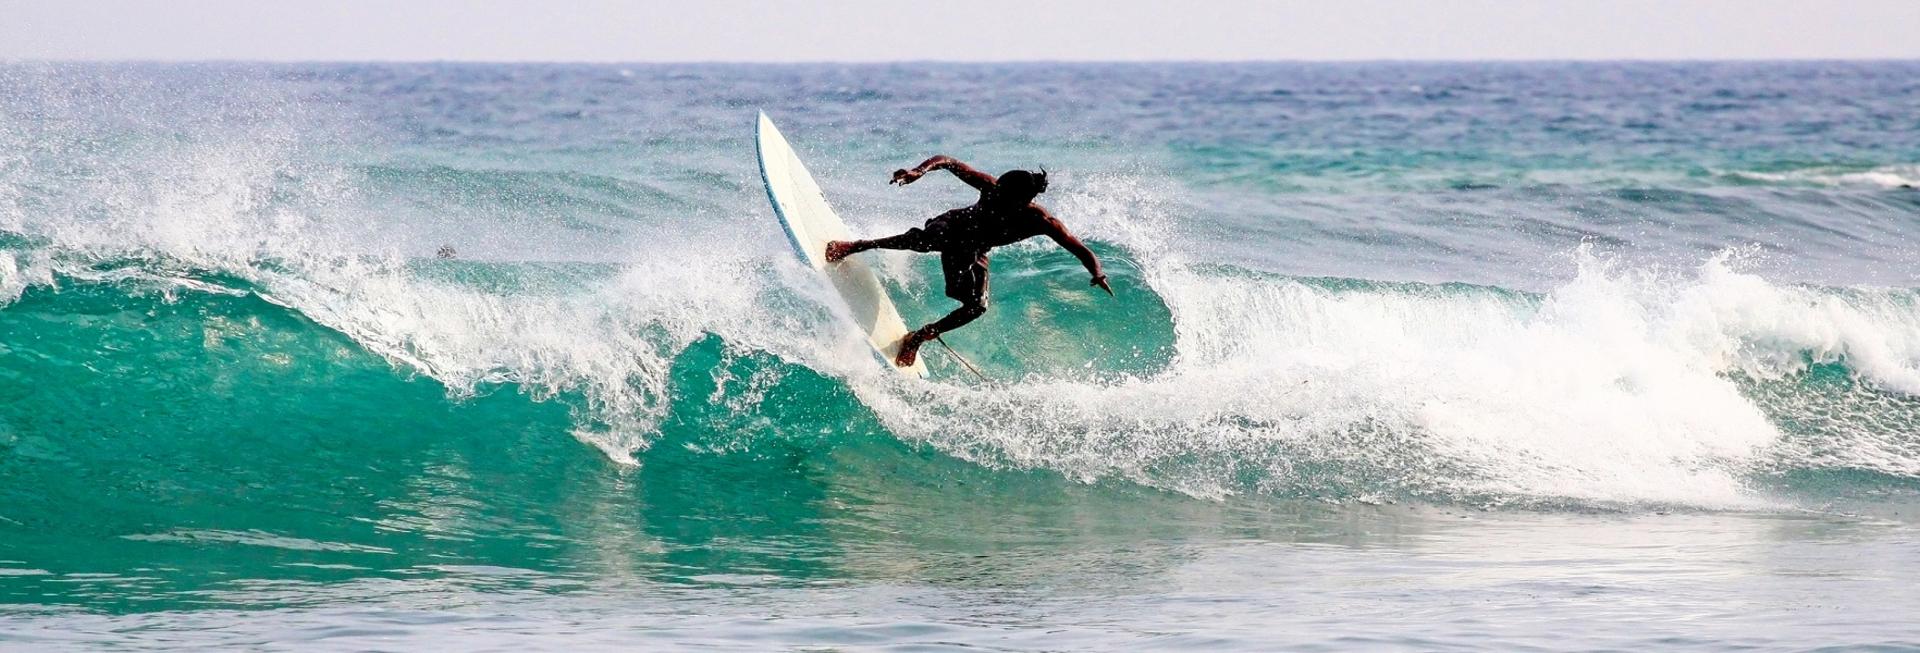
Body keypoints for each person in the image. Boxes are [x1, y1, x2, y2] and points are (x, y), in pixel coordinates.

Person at [826, 155, 1112, 367]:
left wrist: (1097, 272)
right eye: (997, 187)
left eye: (1002, 192)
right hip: (952, 225)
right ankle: (855, 246)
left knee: (976, 306)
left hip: (974, 250)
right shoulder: (991, 186)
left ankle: (920, 336)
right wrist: (919, 171)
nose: (995, 191)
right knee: (926, 240)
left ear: (1020, 200)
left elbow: (1080, 249)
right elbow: (948, 161)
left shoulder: (1041, 221)